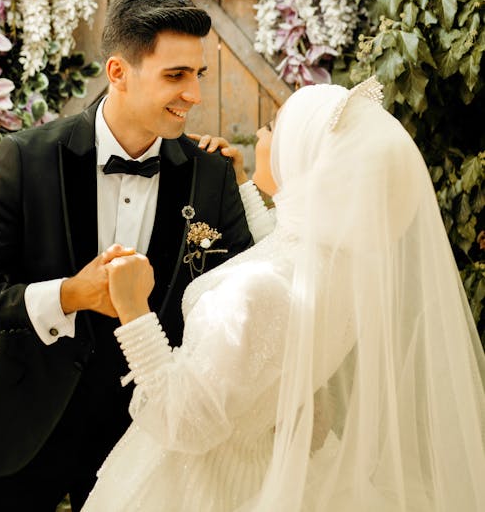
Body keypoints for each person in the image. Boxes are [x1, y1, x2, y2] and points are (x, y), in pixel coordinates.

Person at [82, 77, 485, 512]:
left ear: (315, 165)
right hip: (261, 474)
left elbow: (183, 423)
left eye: (273, 127)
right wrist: (244, 189)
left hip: (194, 487)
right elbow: (281, 251)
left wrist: (133, 309)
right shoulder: (344, 273)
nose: (260, 134)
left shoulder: (255, 292)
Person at [0, 0, 253, 512]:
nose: (194, 94)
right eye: (175, 76)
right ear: (118, 73)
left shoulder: (213, 174)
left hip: (146, 448)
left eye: (198, 74)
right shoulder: (26, 159)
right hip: (23, 433)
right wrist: (69, 294)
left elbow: (236, 307)